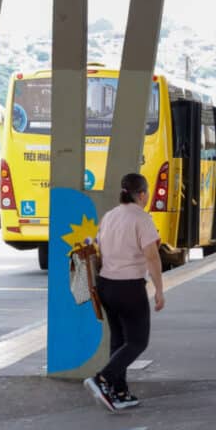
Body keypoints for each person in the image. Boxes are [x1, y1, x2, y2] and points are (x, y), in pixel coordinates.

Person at [84, 173, 165, 413]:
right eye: (147, 192)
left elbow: (100, 247)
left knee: (119, 341)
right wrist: (159, 289)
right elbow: (152, 255)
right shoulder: (142, 218)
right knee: (138, 341)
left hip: (106, 286)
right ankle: (103, 379)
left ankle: (119, 393)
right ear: (141, 194)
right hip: (129, 287)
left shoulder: (110, 216)